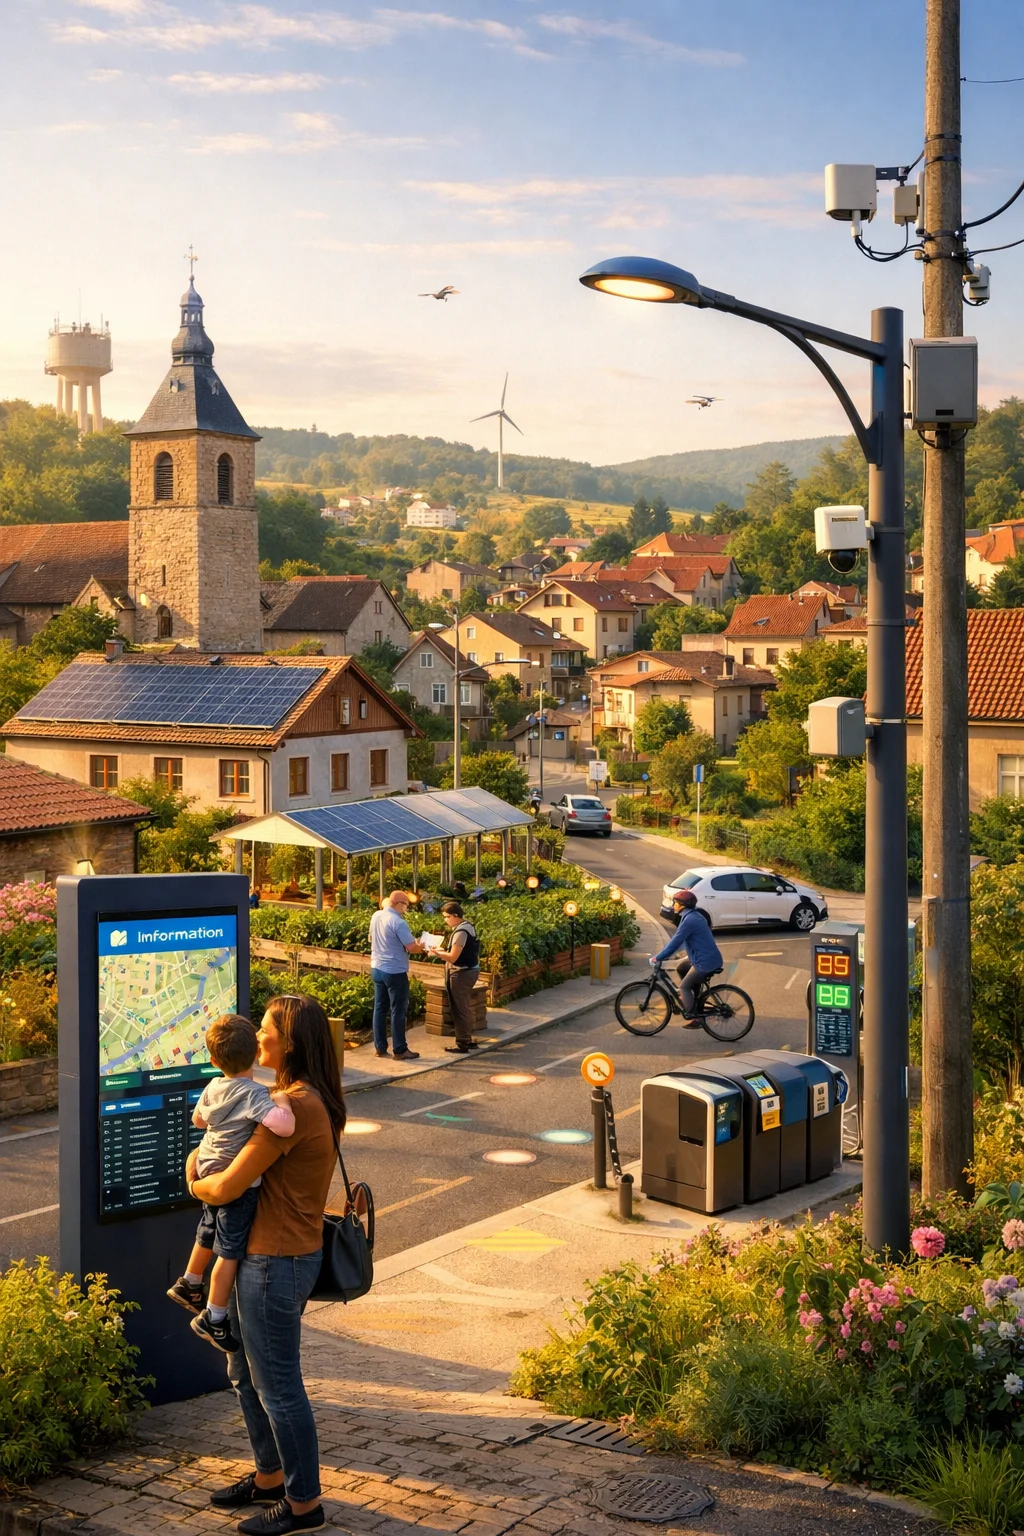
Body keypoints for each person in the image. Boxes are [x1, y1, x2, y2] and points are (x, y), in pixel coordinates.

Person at [186, 994, 345, 1536]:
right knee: (245, 1374)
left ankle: (304, 1504)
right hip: (272, 1254)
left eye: (267, 1030)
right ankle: (270, 1476)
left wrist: (192, 1178)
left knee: (277, 1384)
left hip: (274, 1260)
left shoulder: (295, 1106)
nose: (258, 1039)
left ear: (291, 1041)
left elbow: (227, 1183)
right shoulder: (296, 1097)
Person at [167, 1014, 295, 1352]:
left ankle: (190, 1281)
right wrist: (280, 1099)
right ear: (255, 1053)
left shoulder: (212, 1088)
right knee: (230, 1251)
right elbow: (283, 1126)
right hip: (234, 1181)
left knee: (208, 1228)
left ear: (212, 1060)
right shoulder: (254, 1094)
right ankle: (215, 1314)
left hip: (207, 1166)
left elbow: (197, 1120)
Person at [651, 889, 724, 1025]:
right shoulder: (694, 915)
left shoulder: (690, 920)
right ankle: (693, 999)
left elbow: (675, 942)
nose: (673, 906)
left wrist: (658, 957)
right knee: (682, 968)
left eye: (676, 903)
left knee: (684, 986)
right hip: (707, 958)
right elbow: (683, 942)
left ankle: (695, 1017)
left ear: (683, 905)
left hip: (704, 962)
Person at [368, 890, 424, 1061]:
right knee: (398, 1011)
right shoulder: (398, 922)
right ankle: (399, 1049)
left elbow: (371, 938)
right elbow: (412, 947)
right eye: (406, 904)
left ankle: (380, 1047)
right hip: (395, 971)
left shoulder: (376, 915)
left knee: (379, 1008)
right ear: (399, 903)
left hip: (377, 967)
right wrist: (423, 945)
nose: (406, 908)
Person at [434, 901, 481, 1054]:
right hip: (469, 970)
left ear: (455, 916)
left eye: (447, 917)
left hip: (461, 973)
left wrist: (438, 953)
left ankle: (463, 1042)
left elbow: (453, 957)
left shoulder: (461, 932)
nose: (445, 920)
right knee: (463, 1006)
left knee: (459, 1008)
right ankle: (466, 1038)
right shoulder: (468, 926)